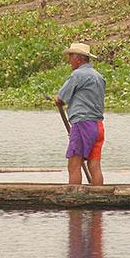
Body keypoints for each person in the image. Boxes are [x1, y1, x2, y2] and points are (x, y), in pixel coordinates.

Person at [55, 42, 105, 185]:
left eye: (71, 56)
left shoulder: (78, 75)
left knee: (74, 164)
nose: (69, 60)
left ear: (78, 58)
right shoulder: (98, 76)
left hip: (83, 124)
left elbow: (61, 98)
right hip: (98, 126)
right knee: (94, 165)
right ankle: (98, 198)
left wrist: (57, 100)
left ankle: (74, 199)